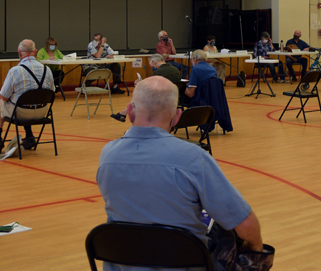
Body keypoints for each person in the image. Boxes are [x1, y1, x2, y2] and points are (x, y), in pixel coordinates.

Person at [96, 76, 263, 269]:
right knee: (225, 230)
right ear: (176, 117)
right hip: (183, 262)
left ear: (131, 111)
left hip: (124, 262)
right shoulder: (193, 158)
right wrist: (256, 248)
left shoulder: (108, 155)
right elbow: (246, 224)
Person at [0, 39, 54, 154]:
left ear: (19, 53)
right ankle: (29, 136)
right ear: (36, 51)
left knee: (1, 102)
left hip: (20, 113)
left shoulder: (15, 71)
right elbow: (52, 92)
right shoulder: (47, 69)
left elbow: (4, 96)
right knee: (27, 102)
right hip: (42, 112)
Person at [110, 54, 180, 123]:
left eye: (153, 66)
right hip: (175, 98)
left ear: (153, 61)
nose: (153, 68)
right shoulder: (175, 70)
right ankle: (123, 113)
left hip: (161, 100)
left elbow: (151, 88)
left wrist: (140, 84)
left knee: (139, 95)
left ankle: (125, 115)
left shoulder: (158, 72)